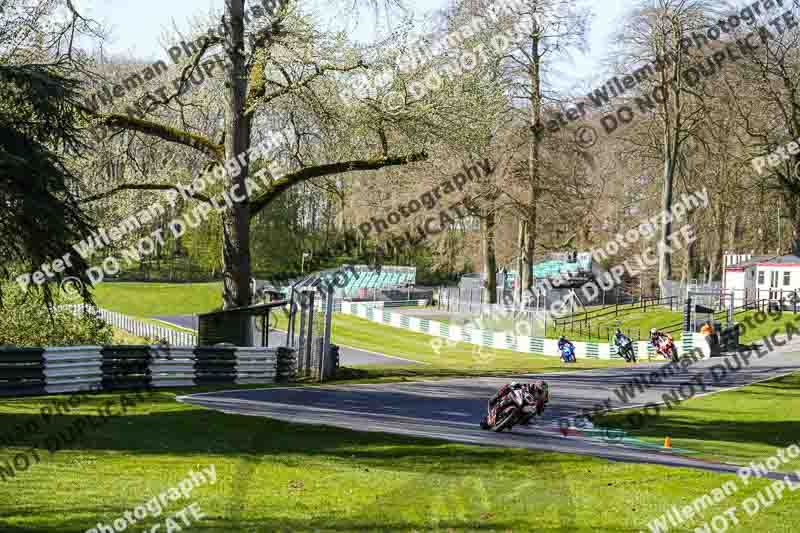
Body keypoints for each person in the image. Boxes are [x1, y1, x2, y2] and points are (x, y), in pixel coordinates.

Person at [481, 381, 549, 428]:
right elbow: (521, 386)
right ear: (536, 387)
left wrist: (540, 408)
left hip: (526, 407)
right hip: (518, 399)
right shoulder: (530, 386)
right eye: (539, 390)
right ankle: (497, 397)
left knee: (532, 413)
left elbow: (542, 409)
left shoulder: (545, 396)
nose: (541, 392)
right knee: (511, 385)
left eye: (542, 391)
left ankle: (523, 420)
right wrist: (516, 385)